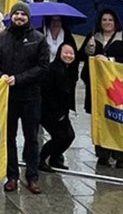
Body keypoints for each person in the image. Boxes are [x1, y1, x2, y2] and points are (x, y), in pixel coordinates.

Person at [0, 1, 49, 194]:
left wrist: (19, 79)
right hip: (7, 98)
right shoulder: (0, 38)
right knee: (9, 138)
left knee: (32, 138)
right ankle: (12, 176)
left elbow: (42, 67)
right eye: (16, 14)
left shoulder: (38, 39)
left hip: (31, 97)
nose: (19, 17)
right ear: (11, 16)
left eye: (23, 15)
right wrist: (0, 76)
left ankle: (32, 176)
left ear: (28, 18)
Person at [81, 9, 123, 169]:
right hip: (97, 87)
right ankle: (103, 154)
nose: (107, 22)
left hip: (118, 88)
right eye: (104, 20)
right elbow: (81, 58)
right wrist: (88, 50)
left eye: (110, 20)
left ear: (115, 22)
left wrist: (110, 60)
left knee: (119, 122)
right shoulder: (92, 37)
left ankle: (121, 156)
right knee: (100, 120)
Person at [39, 42, 80, 173]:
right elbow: (47, 92)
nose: (69, 55)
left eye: (71, 53)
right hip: (49, 111)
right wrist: (58, 112)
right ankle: (41, 159)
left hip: (62, 110)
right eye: (66, 53)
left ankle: (55, 158)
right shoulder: (53, 69)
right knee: (59, 137)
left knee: (69, 136)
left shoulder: (69, 69)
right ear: (59, 53)